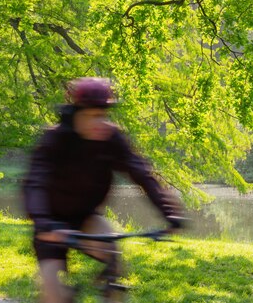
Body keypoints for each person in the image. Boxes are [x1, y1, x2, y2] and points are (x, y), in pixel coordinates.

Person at [23, 77, 184, 303]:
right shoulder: (55, 140)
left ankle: (110, 293)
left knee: (113, 255)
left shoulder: (112, 139)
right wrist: (43, 222)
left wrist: (170, 213)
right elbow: (35, 183)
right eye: (92, 116)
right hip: (52, 223)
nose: (100, 123)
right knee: (53, 294)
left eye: (103, 115)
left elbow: (142, 174)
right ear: (77, 112)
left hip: (86, 218)